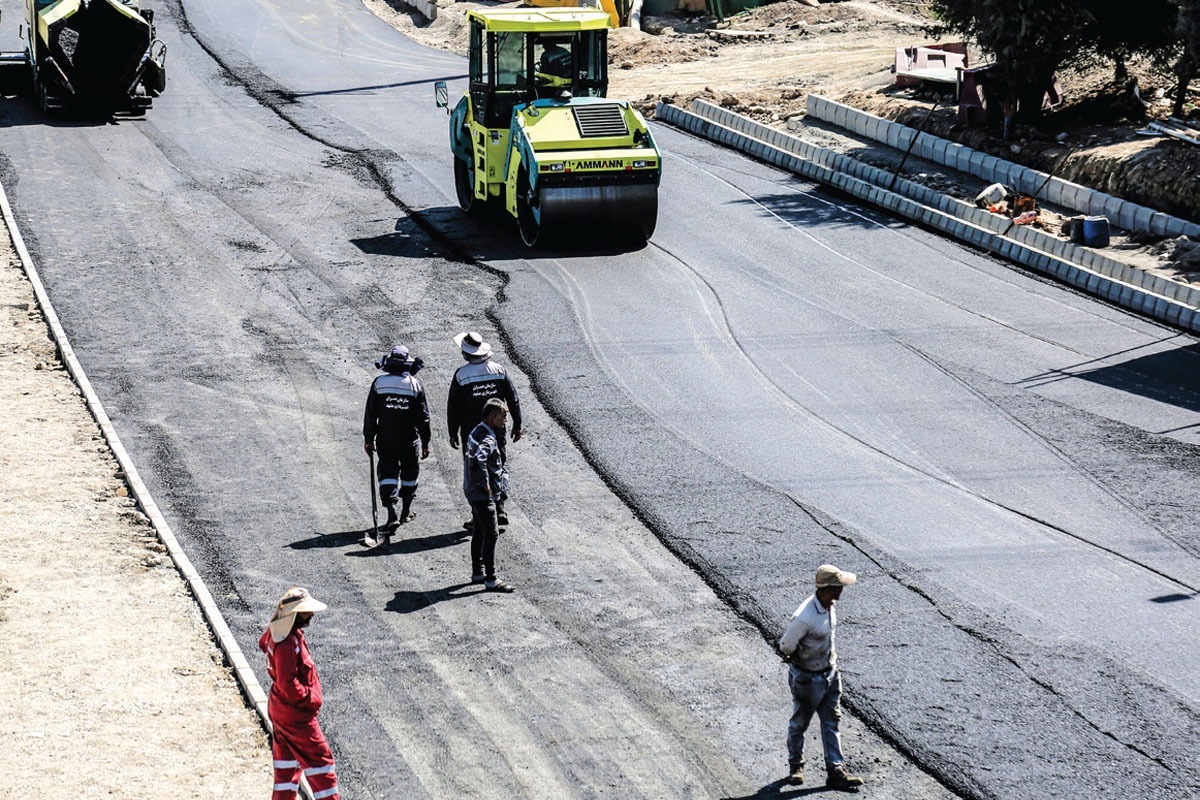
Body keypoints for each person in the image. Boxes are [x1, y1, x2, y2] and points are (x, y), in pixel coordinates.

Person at [778, 564, 865, 791]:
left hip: (830, 673)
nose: (841, 591)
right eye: (838, 587)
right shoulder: (805, 616)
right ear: (828, 588)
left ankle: (836, 770)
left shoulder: (829, 605)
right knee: (800, 723)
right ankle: (796, 765)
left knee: (831, 720)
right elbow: (786, 645)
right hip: (808, 679)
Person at [258, 587, 340, 800]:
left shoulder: (279, 634)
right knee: (322, 766)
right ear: (295, 614)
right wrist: (310, 699)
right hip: (297, 716)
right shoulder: (286, 643)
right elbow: (288, 682)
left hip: (281, 712)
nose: (311, 615)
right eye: (306, 611)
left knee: (287, 772)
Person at [447, 331, 522, 527]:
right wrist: (518, 424)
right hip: (497, 431)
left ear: (465, 353)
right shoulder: (498, 370)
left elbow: (453, 406)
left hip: (472, 434)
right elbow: (513, 399)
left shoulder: (461, 375)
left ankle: (479, 514)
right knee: (499, 466)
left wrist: (452, 431)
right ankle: (500, 507)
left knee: (475, 470)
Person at [363, 345, 430, 542]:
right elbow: (423, 418)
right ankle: (406, 512)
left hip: (386, 439)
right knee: (410, 474)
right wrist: (426, 442)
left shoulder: (379, 384)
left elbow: (370, 414)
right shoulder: (415, 385)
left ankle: (391, 513)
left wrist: (368, 439)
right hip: (409, 440)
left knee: (387, 473)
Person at [463, 398, 514, 592]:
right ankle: (491, 578)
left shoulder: (477, 431)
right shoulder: (488, 438)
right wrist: (486, 487)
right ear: (493, 417)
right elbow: (479, 459)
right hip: (482, 495)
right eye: (503, 416)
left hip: (471, 491)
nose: (505, 420)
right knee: (491, 534)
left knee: (479, 531)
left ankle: (478, 572)